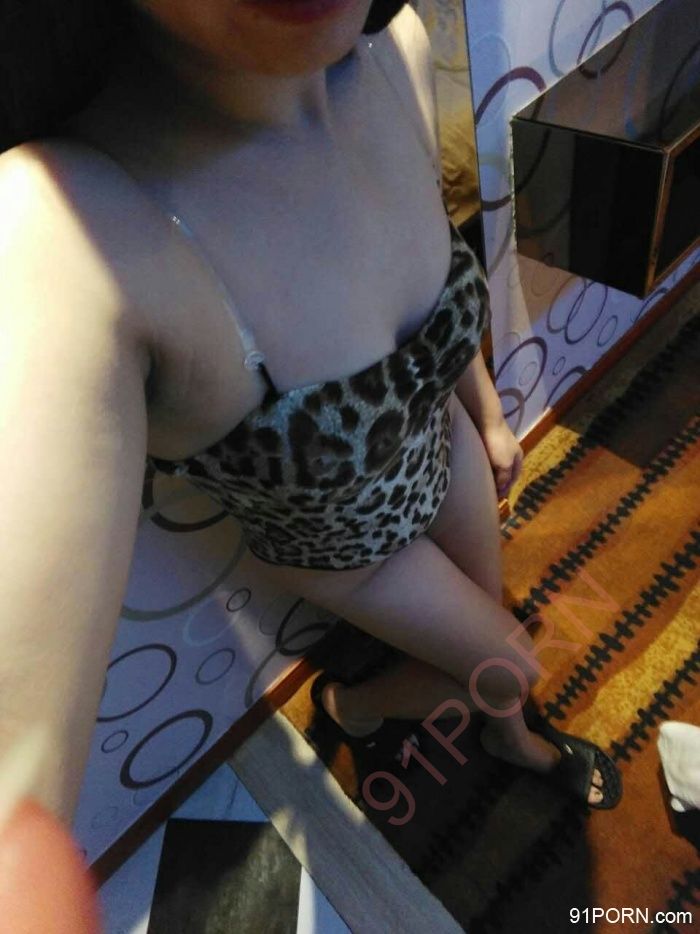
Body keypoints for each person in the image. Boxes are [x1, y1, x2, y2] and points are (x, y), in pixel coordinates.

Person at [0, 0, 621, 834]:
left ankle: (506, 739)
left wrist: (490, 417)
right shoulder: (65, 226)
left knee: (492, 644)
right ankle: (352, 707)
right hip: (355, 558)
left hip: (448, 450)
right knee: (508, 663)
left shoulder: (394, 48)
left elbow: (439, 290)